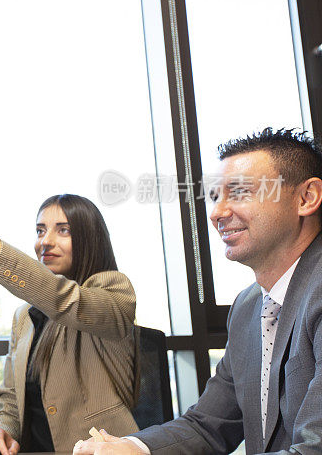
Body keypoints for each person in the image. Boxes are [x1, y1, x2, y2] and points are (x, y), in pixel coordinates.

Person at [73, 128, 322, 455]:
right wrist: (133, 447)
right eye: (216, 196)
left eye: (241, 192)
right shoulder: (249, 306)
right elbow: (208, 425)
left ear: (306, 198)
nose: (217, 212)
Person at [0, 145, 139, 455]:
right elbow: (11, 399)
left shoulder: (115, 291)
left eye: (63, 230)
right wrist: (2, 430)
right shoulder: (24, 317)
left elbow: (61, 298)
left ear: (88, 238)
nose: (45, 242)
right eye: (40, 230)